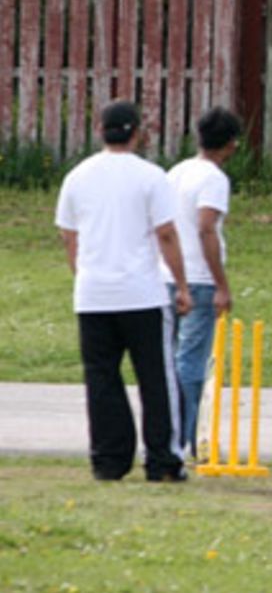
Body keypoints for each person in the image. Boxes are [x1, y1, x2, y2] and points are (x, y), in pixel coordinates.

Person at [54, 100, 193, 481]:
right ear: (137, 133)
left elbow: (69, 236)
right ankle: (163, 461)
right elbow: (165, 233)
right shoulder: (150, 176)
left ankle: (108, 460)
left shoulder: (77, 177)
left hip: (93, 294)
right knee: (155, 378)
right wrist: (181, 285)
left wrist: (83, 275)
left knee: (101, 379)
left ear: (100, 130)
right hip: (142, 293)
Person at [162, 107, 242, 457]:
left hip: (168, 275)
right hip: (197, 279)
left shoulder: (176, 171)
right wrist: (221, 284)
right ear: (230, 145)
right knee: (191, 362)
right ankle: (185, 439)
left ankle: (174, 435)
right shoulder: (214, 179)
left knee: (173, 358)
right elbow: (206, 227)